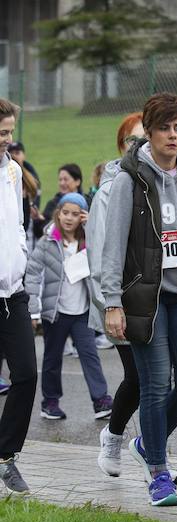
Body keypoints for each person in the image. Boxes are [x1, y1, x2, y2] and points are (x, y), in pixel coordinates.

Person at [102, 92, 177, 507]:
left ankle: (146, 444)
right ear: (150, 133)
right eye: (164, 129)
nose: (173, 136)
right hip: (146, 297)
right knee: (156, 385)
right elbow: (113, 245)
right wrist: (111, 303)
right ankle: (157, 471)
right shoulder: (128, 178)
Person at [88, 112, 156, 478]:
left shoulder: (163, 183)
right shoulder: (110, 190)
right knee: (141, 377)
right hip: (122, 303)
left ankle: (153, 454)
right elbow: (99, 255)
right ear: (121, 145)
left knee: (159, 381)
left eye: (146, 140)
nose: (140, 147)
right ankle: (115, 437)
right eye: (134, 141)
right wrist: (110, 304)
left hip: (158, 300)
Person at [25, 192, 112, 421]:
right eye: (65, 213)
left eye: (76, 214)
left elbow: (105, 252)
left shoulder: (88, 241)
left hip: (82, 312)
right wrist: (33, 310)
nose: (69, 218)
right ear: (58, 213)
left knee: (90, 355)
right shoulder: (47, 242)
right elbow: (32, 275)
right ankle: (50, 402)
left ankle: (101, 399)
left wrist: (91, 224)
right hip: (55, 313)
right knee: (52, 359)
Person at [0, 98, 38, 496]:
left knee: (26, 373)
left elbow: (18, 227)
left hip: (13, 294)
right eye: (1, 133)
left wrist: (21, 259)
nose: (8, 139)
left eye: (10, 131)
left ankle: (5, 455)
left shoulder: (13, 171)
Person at [33, 164, 82, 241]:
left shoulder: (87, 203)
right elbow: (40, 232)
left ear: (77, 182)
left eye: (66, 179)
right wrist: (38, 220)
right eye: (60, 180)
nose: (62, 183)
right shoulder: (52, 204)